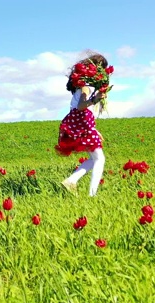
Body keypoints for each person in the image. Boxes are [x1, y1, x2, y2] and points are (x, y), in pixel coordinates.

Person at [55, 53, 108, 197]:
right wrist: (95, 99)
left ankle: (71, 181)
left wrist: (94, 130)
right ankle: (92, 194)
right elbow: (81, 106)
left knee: (95, 158)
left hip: (79, 122)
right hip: (81, 120)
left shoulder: (84, 86)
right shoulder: (87, 87)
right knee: (99, 159)